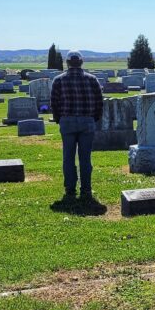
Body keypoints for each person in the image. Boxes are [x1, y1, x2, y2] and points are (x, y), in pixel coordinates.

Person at [50, 50, 103, 201]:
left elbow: (54, 103)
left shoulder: (58, 80)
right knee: (85, 158)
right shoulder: (92, 80)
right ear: (81, 62)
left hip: (67, 121)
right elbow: (99, 101)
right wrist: (94, 118)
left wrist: (59, 119)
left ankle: (70, 189)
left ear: (67, 63)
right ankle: (86, 189)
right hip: (87, 121)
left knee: (68, 157)